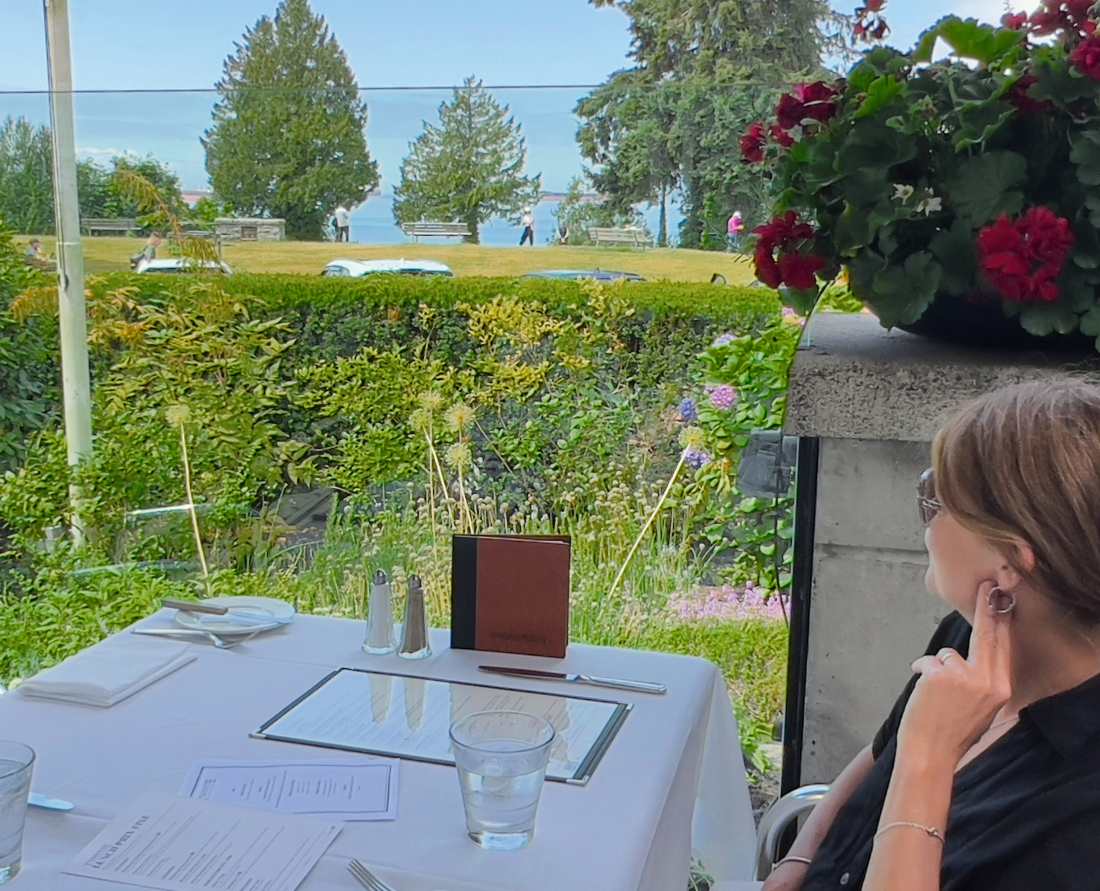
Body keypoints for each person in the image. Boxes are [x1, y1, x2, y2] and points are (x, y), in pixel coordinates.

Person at [766, 379, 1100, 891]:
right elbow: (880, 756)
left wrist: (929, 760)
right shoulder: (972, 636)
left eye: (938, 499)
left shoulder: (1078, 817)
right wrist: (799, 860)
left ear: (1010, 561)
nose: (925, 517)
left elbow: (909, 753)